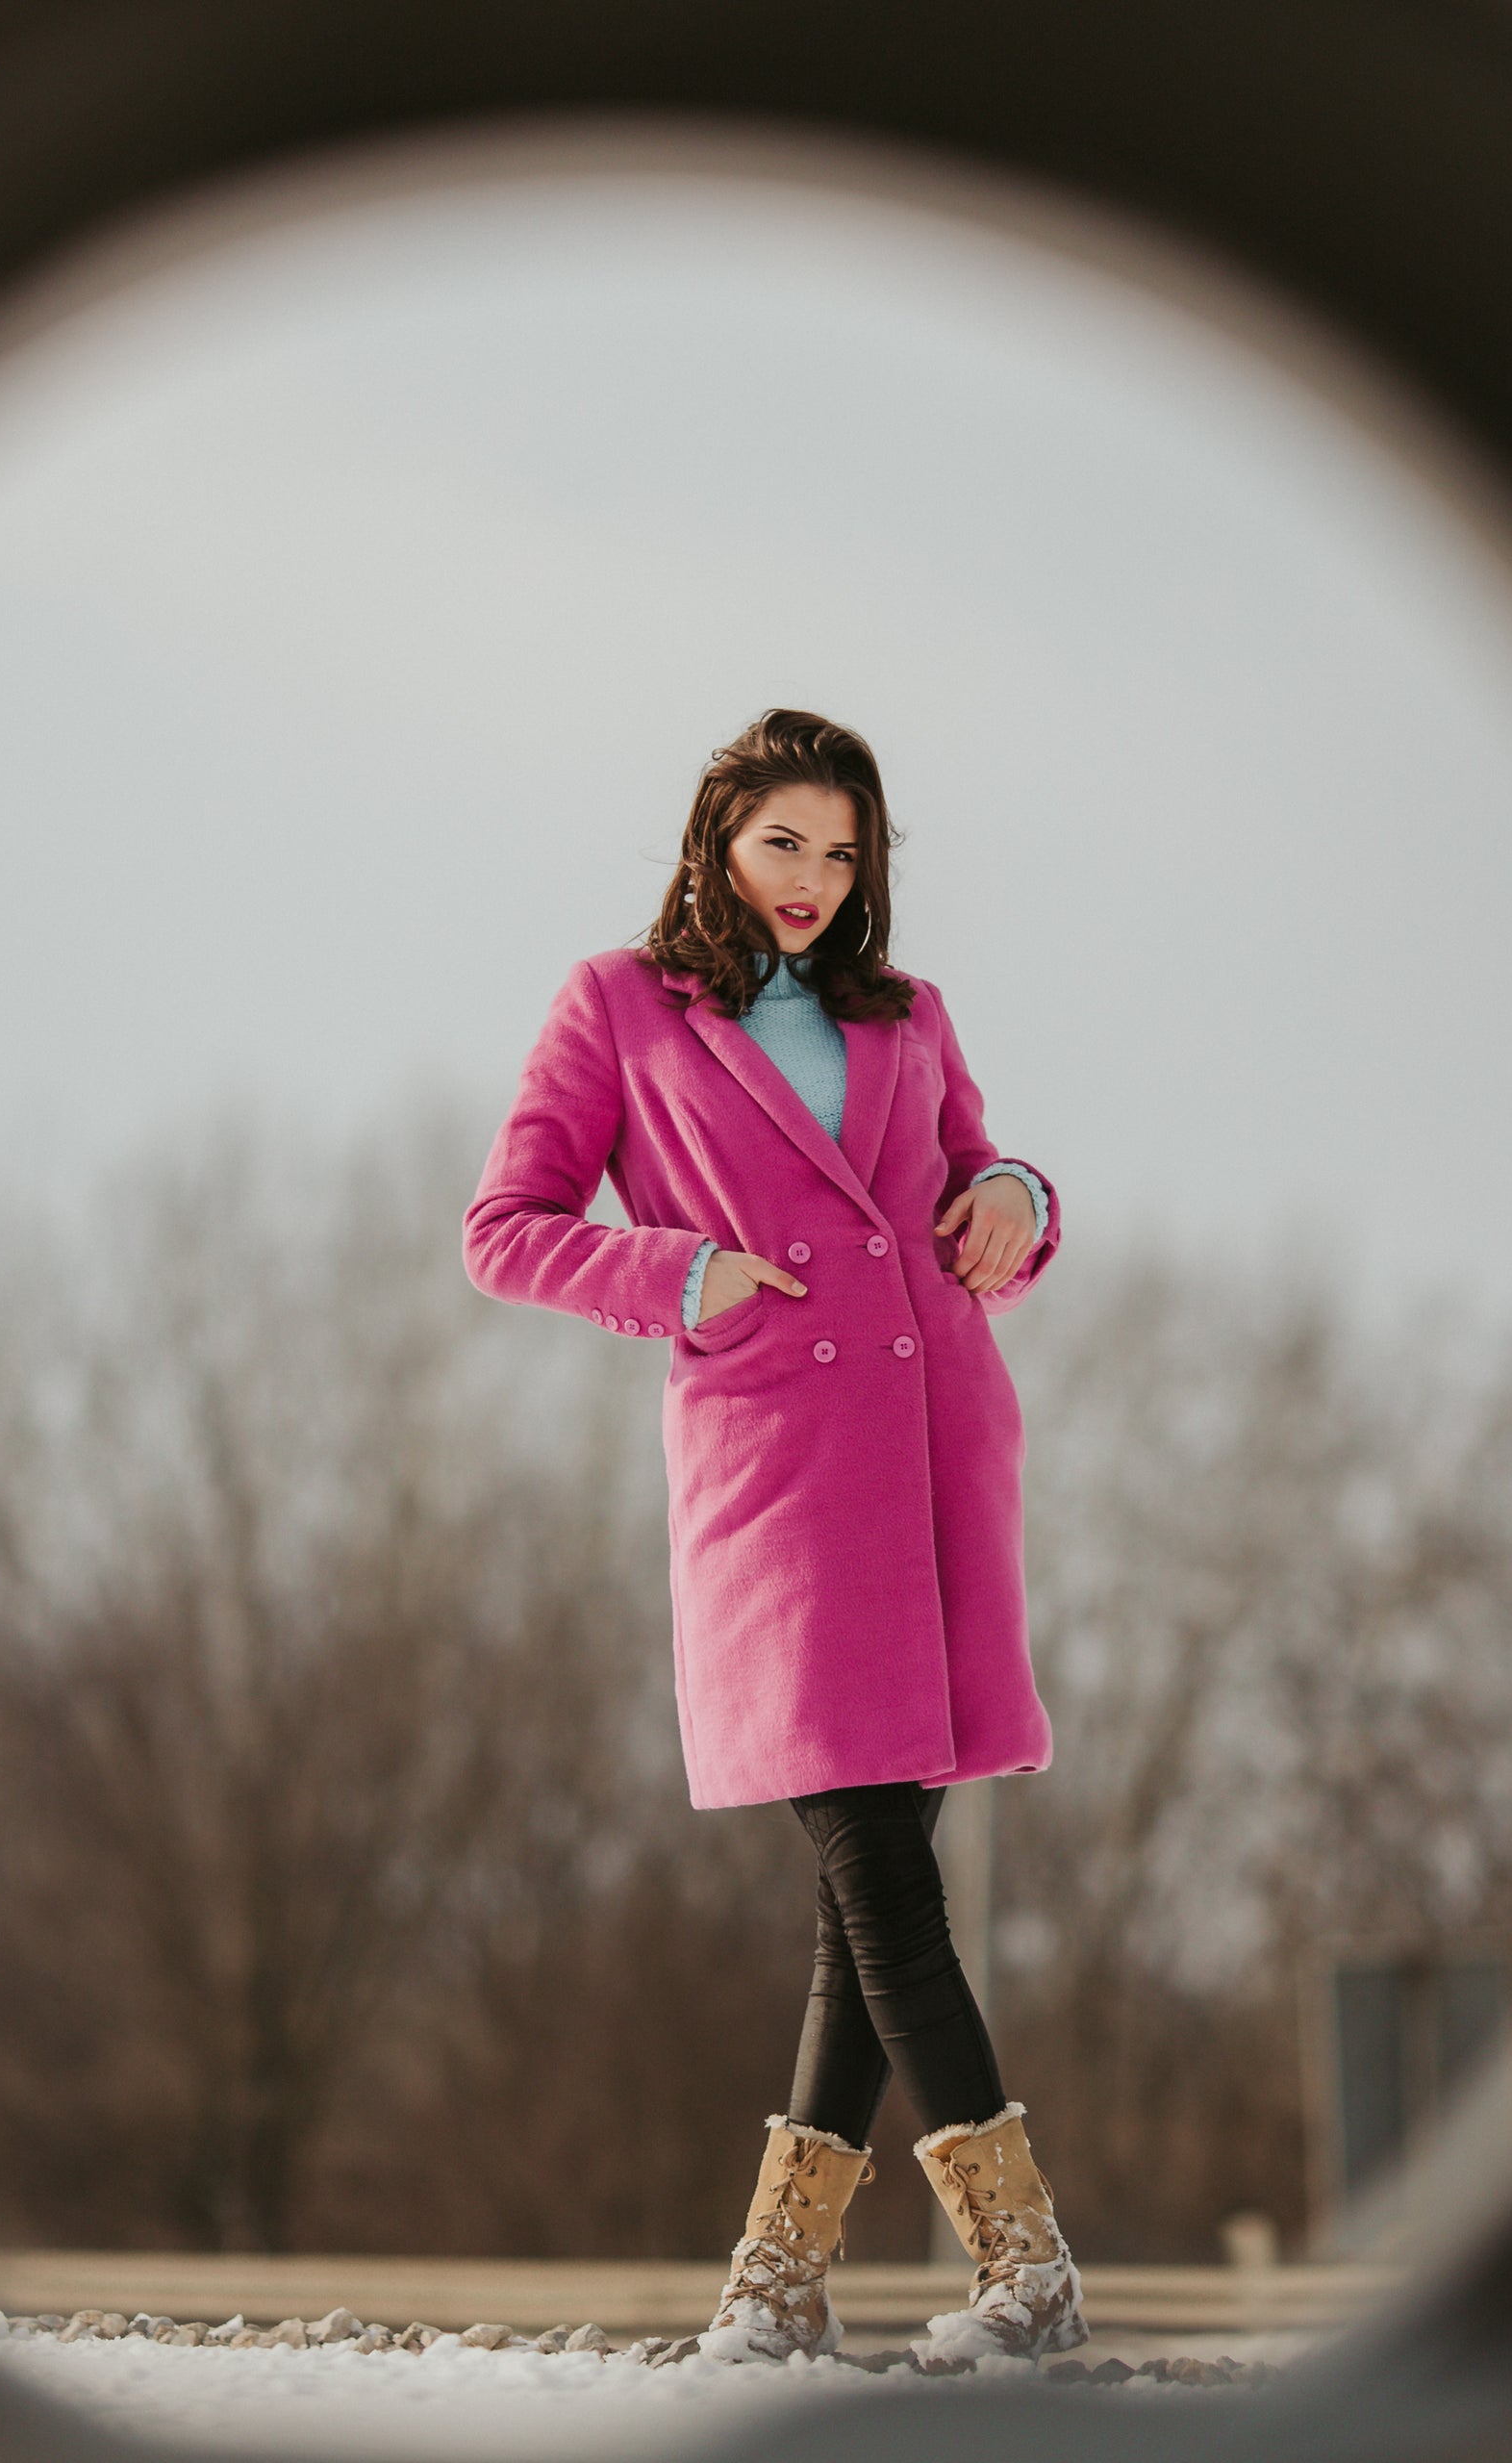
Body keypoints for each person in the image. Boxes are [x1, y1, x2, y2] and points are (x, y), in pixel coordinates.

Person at [461, 710, 1084, 2365]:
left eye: (842, 846)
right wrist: (680, 1275)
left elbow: (983, 1196)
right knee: (878, 1877)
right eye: (781, 842)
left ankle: (773, 2294)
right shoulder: (619, 1003)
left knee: (857, 1894)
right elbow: (506, 1230)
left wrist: (1020, 1193)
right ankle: (1024, 2270)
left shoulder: (910, 1013)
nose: (814, 879)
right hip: (780, 1474)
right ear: (717, 842)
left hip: (939, 1454)